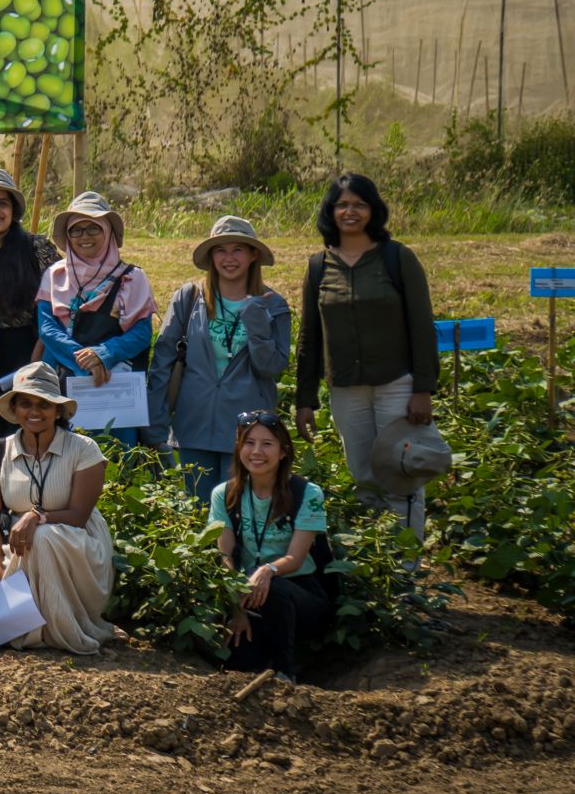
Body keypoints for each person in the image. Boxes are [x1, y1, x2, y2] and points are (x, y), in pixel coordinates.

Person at [295, 173, 441, 534]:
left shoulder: (397, 258)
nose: (350, 211)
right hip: (346, 390)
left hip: (397, 384)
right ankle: (377, 569)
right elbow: (310, 336)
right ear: (331, 211)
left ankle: (405, 572)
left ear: (373, 210)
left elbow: (422, 327)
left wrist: (423, 389)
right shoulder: (318, 267)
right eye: (342, 204)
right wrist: (304, 399)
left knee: (402, 472)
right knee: (364, 478)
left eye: (359, 204)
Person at [150, 217, 294, 502]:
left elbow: (273, 366)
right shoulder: (189, 297)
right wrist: (155, 424)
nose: (229, 259)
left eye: (238, 249)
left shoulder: (272, 304)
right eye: (220, 250)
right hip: (193, 423)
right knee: (197, 510)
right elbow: (163, 360)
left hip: (248, 433)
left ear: (254, 255)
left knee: (236, 511)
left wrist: (256, 323)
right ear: (210, 257)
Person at [0, 362, 117, 655]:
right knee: (34, 540)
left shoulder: (83, 449)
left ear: (58, 410)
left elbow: (79, 516)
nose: (34, 411)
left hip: (77, 543)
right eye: (25, 403)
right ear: (14, 409)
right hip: (17, 546)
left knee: (42, 537)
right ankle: (35, 627)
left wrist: (36, 517)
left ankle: (60, 629)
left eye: (44, 404)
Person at [211, 411, 333, 682]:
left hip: (300, 594)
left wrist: (267, 570)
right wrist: (235, 607)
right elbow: (225, 556)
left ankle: (285, 672)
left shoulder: (307, 493)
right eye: (249, 442)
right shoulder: (224, 494)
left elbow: (296, 558)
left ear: (283, 452)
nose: (256, 451)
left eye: (267, 444)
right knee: (238, 660)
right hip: (246, 593)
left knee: (274, 587)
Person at [37, 191, 156, 449]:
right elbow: (47, 328)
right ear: (67, 236)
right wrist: (85, 361)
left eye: (93, 228)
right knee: (65, 455)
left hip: (116, 387)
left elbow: (141, 332)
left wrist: (103, 354)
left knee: (118, 457)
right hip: (64, 382)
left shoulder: (132, 278)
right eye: (76, 230)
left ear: (108, 232)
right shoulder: (54, 275)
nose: (85, 236)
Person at [0, 167, 58, 427]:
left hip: (32, 344)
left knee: (37, 419)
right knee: (3, 421)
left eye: (2, 204)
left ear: (14, 211)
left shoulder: (36, 247)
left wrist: (41, 350)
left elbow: (62, 302)